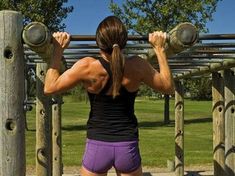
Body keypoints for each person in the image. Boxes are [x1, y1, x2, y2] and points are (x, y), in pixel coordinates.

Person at [44, 16, 174, 176]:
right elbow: (168, 87)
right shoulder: (137, 65)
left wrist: (58, 50)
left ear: (99, 43)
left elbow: (50, 87)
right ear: (124, 41)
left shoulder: (87, 66)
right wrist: (160, 50)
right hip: (127, 146)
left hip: (97, 146)